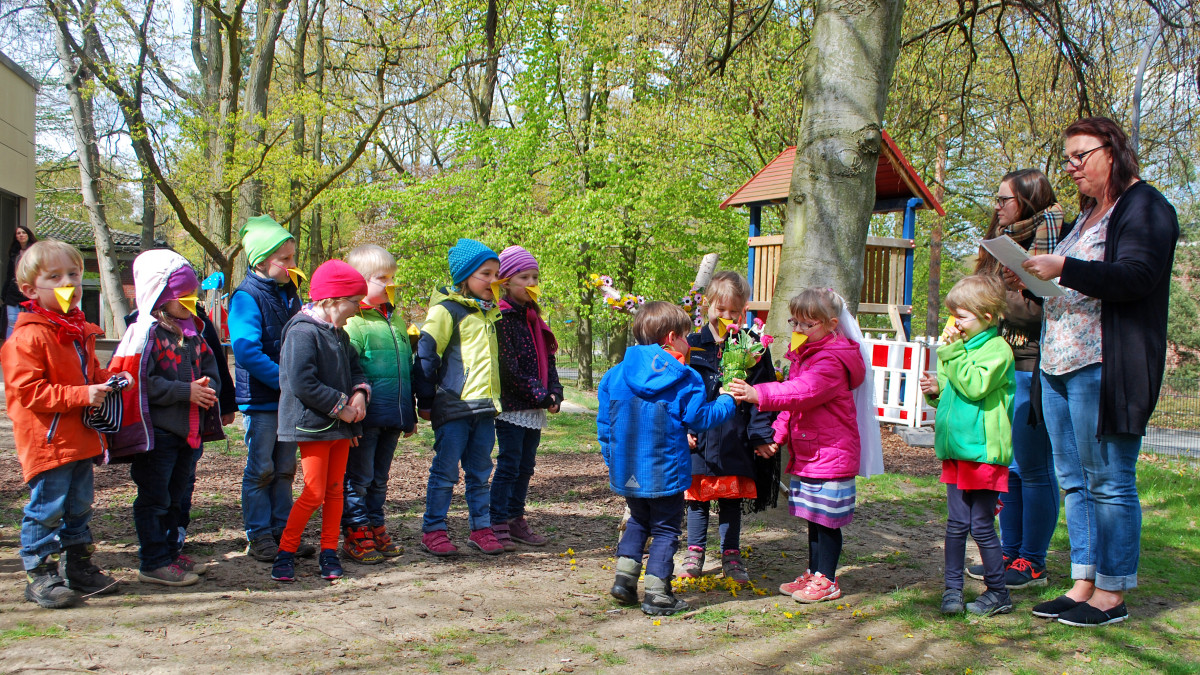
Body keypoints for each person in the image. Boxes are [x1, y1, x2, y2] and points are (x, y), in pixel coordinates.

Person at [1020, 116, 1179, 627]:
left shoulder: (1146, 208)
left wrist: (1063, 268)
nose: (1070, 169)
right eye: (1065, 159)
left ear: (1111, 150)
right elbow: (1071, 284)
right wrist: (1030, 278)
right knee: (1074, 480)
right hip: (1058, 366)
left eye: (1078, 157)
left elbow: (1136, 277)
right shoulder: (1088, 215)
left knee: (1109, 480)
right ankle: (1084, 582)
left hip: (1104, 367)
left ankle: (1112, 593)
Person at [1, 240, 125, 607]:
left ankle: (79, 566)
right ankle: (40, 573)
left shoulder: (78, 330)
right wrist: (81, 395)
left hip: (81, 437)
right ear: (29, 290)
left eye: (73, 274)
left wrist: (113, 377)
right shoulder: (28, 336)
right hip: (48, 441)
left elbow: (89, 373)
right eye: (54, 277)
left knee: (80, 505)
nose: (66, 283)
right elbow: (29, 392)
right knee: (47, 507)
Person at [730, 288, 867, 604]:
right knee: (814, 518)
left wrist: (759, 395)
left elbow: (801, 393)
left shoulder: (831, 361)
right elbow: (794, 408)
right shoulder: (807, 355)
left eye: (808, 324)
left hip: (831, 453)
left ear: (831, 324)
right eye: (796, 323)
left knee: (827, 521)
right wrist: (777, 436)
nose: (799, 331)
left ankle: (827, 579)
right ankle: (815, 572)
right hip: (813, 452)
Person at [600, 301, 736, 616]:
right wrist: (728, 400)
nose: (689, 344)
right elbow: (700, 419)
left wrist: (612, 460)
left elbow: (606, 426)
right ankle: (658, 593)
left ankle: (624, 579)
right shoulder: (685, 378)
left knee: (638, 519)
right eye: (686, 337)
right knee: (664, 528)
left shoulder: (614, 375)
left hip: (628, 470)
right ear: (671, 338)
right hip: (666, 472)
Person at [969, 169, 1065, 589]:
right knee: (1009, 467)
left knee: (1034, 467)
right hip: (1004, 361)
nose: (998, 206)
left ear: (1028, 202)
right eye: (996, 198)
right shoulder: (1000, 245)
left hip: (1035, 365)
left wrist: (999, 297)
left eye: (1005, 199)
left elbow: (1045, 311)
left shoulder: (1055, 237)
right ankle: (1009, 553)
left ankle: (1033, 561)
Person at [116, 250, 223, 587]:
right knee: (155, 498)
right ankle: (153, 560)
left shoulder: (193, 331)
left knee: (177, 497)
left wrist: (209, 389)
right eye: (185, 296)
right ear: (162, 295)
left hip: (188, 433)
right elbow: (138, 381)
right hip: (158, 435)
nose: (192, 302)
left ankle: (170, 553)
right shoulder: (145, 334)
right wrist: (184, 391)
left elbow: (211, 369)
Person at [918, 275, 1015, 617]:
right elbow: (953, 392)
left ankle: (998, 592)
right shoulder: (959, 349)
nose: (955, 323)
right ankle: (953, 591)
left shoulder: (997, 350)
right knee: (956, 525)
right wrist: (935, 390)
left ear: (987, 316)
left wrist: (952, 354)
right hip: (957, 450)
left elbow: (974, 385)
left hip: (983, 452)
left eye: (961, 316)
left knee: (982, 525)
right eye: (953, 315)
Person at [272, 260, 370, 582]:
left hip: (340, 427)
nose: (358, 309)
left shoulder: (340, 334)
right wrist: (341, 407)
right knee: (314, 492)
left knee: (334, 490)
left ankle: (328, 551)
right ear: (331, 300)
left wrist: (359, 395)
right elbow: (302, 382)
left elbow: (356, 371)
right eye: (354, 302)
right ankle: (285, 551)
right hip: (312, 426)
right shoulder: (302, 332)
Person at [681, 272, 777, 584]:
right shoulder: (692, 344)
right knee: (697, 497)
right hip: (701, 436)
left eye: (734, 313)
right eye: (720, 310)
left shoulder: (753, 348)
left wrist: (760, 435)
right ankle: (695, 550)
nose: (726, 317)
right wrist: (685, 428)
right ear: (707, 305)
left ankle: (730, 553)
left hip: (736, 435)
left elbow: (763, 394)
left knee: (731, 498)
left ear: (743, 311)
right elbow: (679, 392)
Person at [229, 215, 313, 562]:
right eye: (286, 259)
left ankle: (283, 530)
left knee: (284, 469)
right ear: (261, 260)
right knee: (261, 469)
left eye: (294, 257)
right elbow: (247, 350)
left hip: (287, 401)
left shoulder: (289, 292)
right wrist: (285, 380)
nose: (294, 265)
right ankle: (259, 534)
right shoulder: (246, 297)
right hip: (263, 400)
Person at [415, 239, 504, 556]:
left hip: (485, 410)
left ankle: (481, 528)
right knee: (445, 473)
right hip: (453, 407)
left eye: (497, 274)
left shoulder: (490, 314)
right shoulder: (445, 310)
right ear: (465, 276)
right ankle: (433, 530)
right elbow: (426, 356)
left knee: (481, 474)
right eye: (486, 274)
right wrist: (425, 401)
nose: (493, 281)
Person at [340, 245, 417, 563]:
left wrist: (408, 412)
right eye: (383, 278)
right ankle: (355, 531)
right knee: (359, 477)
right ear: (360, 282)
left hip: (393, 415)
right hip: (365, 417)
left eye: (393, 277)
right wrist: (351, 418)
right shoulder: (353, 322)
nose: (391, 284)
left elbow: (406, 371)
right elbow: (347, 371)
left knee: (380, 477)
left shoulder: (397, 322)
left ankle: (374, 524)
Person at [490, 245, 562, 551]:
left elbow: (549, 358)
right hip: (511, 407)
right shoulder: (502, 318)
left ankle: (516, 517)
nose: (532, 282)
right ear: (505, 282)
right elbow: (509, 368)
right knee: (509, 463)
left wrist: (555, 391)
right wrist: (540, 394)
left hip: (534, 407)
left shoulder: (535, 319)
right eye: (524, 277)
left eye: (535, 276)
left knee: (526, 465)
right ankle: (497, 520)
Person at [3, 224, 36, 338]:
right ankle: (10, 349)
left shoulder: (35, 252)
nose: (21, 235)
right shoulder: (14, 254)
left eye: (23, 232)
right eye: (18, 233)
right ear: (16, 237)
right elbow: (9, 275)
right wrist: (4, 293)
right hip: (14, 290)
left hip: (30, 290)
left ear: (28, 235)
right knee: (12, 321)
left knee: (30, 321)